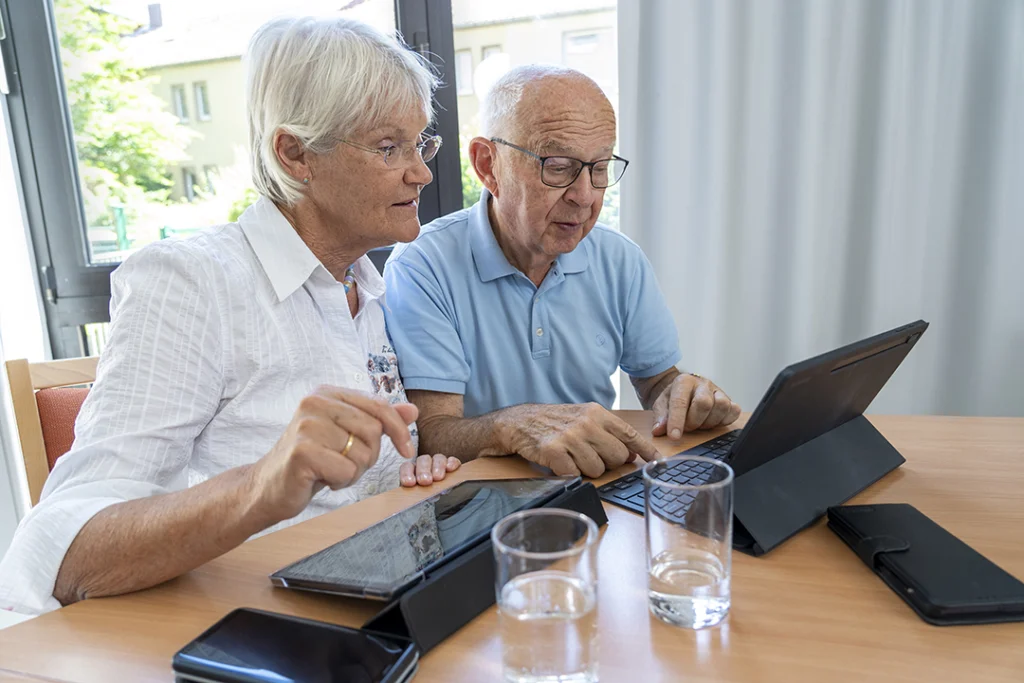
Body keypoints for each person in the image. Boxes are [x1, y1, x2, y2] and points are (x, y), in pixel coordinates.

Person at [0, 16, 460, 615]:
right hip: (239, 633)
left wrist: (406, 475)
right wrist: (263, 484)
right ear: (295, 154)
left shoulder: (366, 290)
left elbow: (340, 496)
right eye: (387, 147)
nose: (421, 171)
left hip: (359, 610)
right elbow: (59, 555)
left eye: (421, 143)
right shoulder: (190, 281)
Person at [383, 65, 741, 478]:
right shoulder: (422, 266)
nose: (586, 197)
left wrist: (682, 395)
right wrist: (511, 426)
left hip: (594, 482)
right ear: (488, 165)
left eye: (600, 167)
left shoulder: (619, 258)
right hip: (482, 504)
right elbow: (432, 433)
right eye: (558, 167)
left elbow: (657, 381)